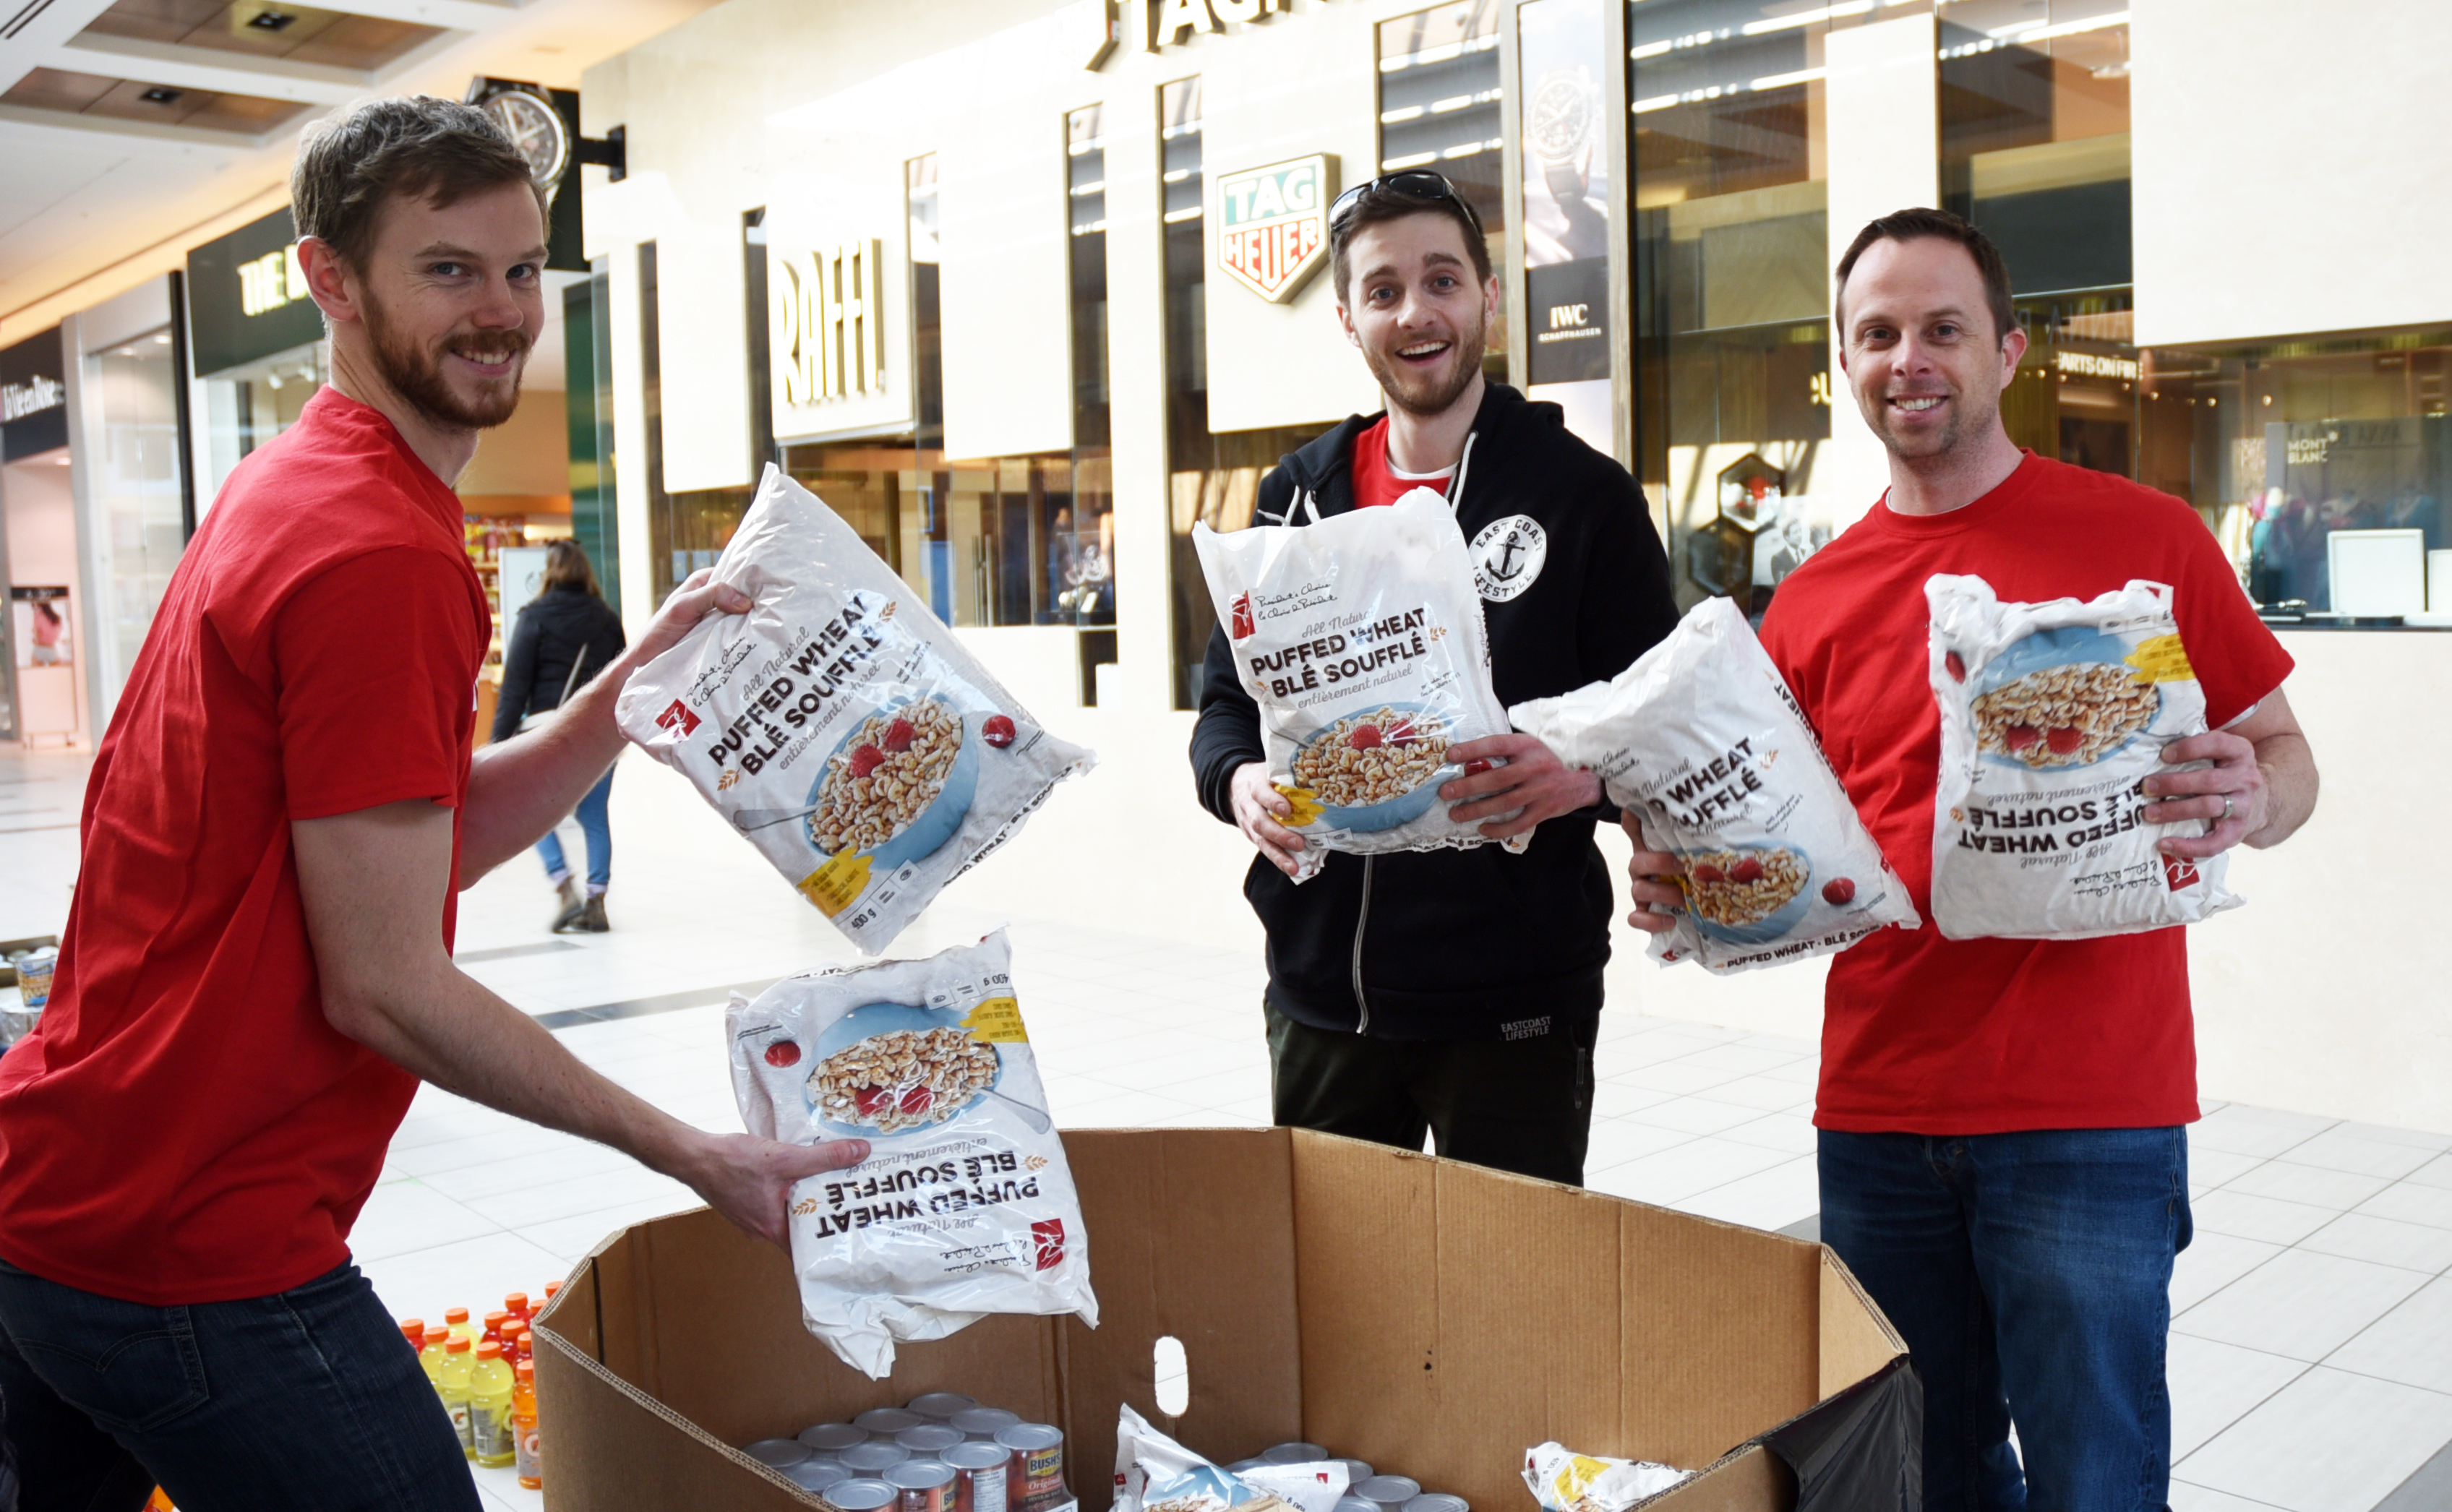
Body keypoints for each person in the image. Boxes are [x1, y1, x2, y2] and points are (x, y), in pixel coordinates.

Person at [0, 97, 867, 1512]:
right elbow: (388, 983)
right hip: (192, 1244)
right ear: (330, 279)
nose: (501, 314)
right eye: (448, 269)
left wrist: (612, 704)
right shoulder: (374, 550)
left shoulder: (301, 485)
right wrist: (696, 1151)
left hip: (63, 1191)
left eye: (523, 270)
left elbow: (407, 837)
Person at [1621, 207, 2319, 1511]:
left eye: (1941, 327)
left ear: (2005, 351)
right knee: (1918, 1479)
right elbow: (1781, 840)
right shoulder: (1815, 598)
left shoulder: (2146, 541)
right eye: (1876, 333)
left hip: (2090, 1111)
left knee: (2093, 1477)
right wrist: (1688, 883)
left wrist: (2248, 794)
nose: (1908, 358)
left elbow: (2287, 761)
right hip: (1879, 1111)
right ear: (1845, 364)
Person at [1188, 171, 1678, 1185]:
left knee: (1515, 1307)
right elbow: (1228, 707)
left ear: (1489, 298)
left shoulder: (1583, 497)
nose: (1416, 312)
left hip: (1513, 998)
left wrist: (1578, 778)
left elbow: (1659, 719)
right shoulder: (1297, 497)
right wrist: (1238, 784)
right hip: (1324, 990)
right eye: (1383, 291)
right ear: (1348, 318)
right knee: (1342, 1310)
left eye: (1442, 280)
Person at [492, 538, 626, 932]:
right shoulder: (606, 618)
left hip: (546, 731)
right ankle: (597, 901)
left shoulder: (534, 617)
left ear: (549, 572)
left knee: (533, 812)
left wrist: (499, 746)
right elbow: (624, 678)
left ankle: (564, 888)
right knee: (595, 816)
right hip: (600, 732)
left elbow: (515, 688)